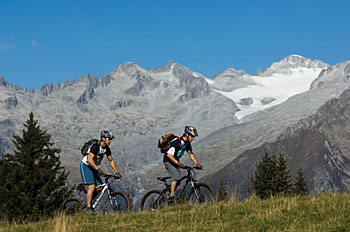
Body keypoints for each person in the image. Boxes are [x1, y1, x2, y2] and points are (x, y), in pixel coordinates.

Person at [80, 131, 121, 214]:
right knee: (92, 186)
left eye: (111, 139)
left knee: (100, 187)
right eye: (109, 139)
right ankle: (88, 209)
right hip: (86, 166)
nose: (110, 141)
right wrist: (97, 169)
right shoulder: (95, 147)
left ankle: (89, 200)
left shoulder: (106, 149)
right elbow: (89, 159)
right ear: (103, 138)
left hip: (94, 167)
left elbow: (111, 160)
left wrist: (116, 172)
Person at [163, 126, 202, 201]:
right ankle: (171, 195)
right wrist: (178, 163)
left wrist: (197, 164)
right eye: (192, 136)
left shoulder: (187, 144)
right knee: (176, 176)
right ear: (187, 135)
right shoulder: (177, 142)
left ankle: (170, 190)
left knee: (178, 179)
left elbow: (191, 154)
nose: (193, 138)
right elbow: (169, 155)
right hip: (168, 160)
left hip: (175, 160)